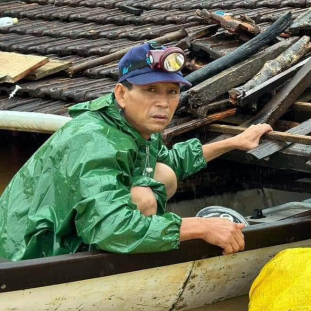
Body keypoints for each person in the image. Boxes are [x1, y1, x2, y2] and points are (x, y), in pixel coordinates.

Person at [0, 42, 272, 261]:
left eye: (171, 92)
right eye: (150, 90)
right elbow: (110, 225)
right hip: (28, 256)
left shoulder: (130, 125)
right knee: (142, 199)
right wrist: (200, 227)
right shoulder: (97, 141)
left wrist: (235, 142)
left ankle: (135, 247)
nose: (163, 103)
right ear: (121, 94)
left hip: (62, 233)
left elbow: (169, 163)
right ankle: (115, 262)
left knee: (162, 174)